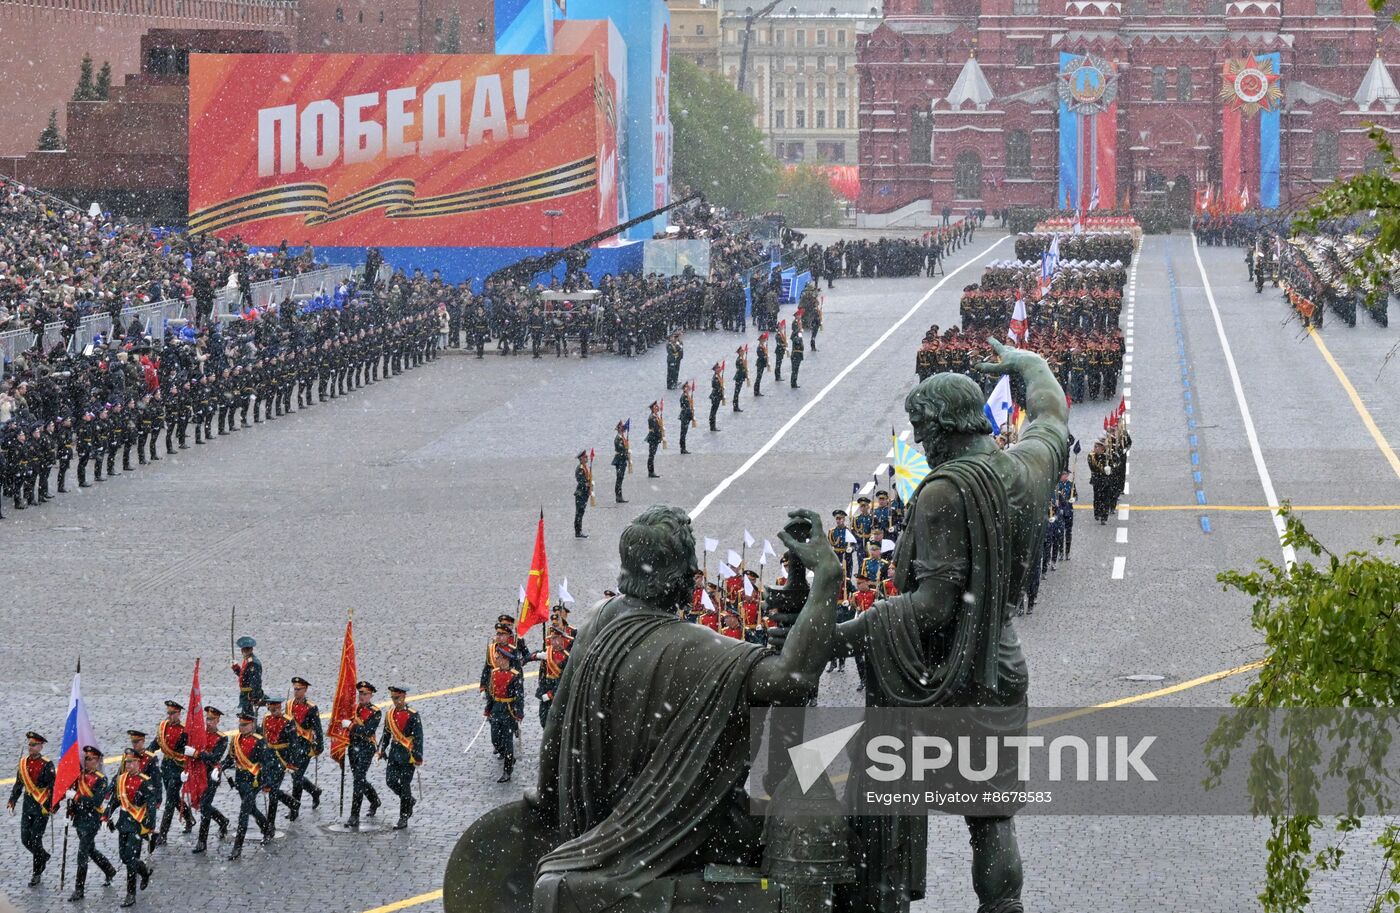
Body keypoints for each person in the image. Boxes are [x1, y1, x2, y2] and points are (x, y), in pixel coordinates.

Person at [832, 338, 1070, 913]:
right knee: (991, 816)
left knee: (888, 797)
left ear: (943, 428)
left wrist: (848, 632)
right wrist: (1028, 363)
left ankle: (890, 897)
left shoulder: (943, 490)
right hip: (1002, 664)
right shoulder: (1025, 468)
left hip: (940, 673)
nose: (919, 442)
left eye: (922, 429)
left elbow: (936, 604)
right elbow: (1053, 415)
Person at [529, 505, 840, 912]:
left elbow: (554, 739)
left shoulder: (596, 620)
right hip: (674, 838)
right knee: (828, 832)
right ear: (679, 574)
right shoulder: (696, 648)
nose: (697, 568)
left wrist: (556, 819)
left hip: (595, 830)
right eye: (691, 562)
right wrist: (828, 579)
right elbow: (790, 678)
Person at [102, 750, 157, 908]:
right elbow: (116, 800)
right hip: (124, 823)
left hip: (138, 825)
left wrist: (150, 825)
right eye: (127, 762)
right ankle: (145, 872)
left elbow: (151, 805)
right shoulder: (121, 780)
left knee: (131, 860)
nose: (129, 765)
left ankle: (130, 894)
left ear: (138, 763)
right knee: (124, 857)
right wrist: (106, 815)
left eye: (132, 762)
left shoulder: (145, 782)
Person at [64, 745, 117, 902]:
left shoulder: (101, 779)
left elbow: (95, 801)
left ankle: (79, 889)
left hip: (92, 820)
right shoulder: (78, 775)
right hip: (79, 819)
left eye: (92, 759)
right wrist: (69, 810)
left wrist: (76, 797)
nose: (88, 762)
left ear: (98, 760)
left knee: (82, 854)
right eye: (86, 759)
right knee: (91, 850)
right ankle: (109, 870)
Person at [220, 710, 272, 859]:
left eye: (245, 725)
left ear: (252, 725)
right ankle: (266, 827)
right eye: (240, 724)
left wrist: (266, 782)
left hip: (253, 780)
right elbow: (230, 759)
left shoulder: (259, 741)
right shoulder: (236, 739)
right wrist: (220, 768)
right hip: (240, 779)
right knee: (251, 808)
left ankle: (237, 847)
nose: (241, 727)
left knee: (244, 811)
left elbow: (266, 763)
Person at [8, 731, 54, 887]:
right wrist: (12, 800)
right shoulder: (23, 763)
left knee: (36, 839)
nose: (30, 747)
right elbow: (19, 783)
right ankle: (43, 856)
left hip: (42, 806)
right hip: (28, 805)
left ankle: (36, 873)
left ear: (41, 746)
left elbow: (53, 787)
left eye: (34, 745)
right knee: (25, 839)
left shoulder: (47, 764)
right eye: (29, 744)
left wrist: (52, 805)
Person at [377, 686, 423, 830]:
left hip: (408, 754)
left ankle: (403, 817)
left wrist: (418, 757)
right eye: (393, 698)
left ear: (403, 697)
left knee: (404, 784)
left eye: (397, 698)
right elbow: (386, 734)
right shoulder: (389, 714)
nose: (395, 701)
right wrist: (382, 750)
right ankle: (409, 800)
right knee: (390, 781)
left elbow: (419, 737)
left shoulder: (413, 715)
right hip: (394, 754)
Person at [153, 699, 196, 847]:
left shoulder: (185, 730)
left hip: (178, 768)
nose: (170, 716)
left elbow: (187, 750)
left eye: (173, 713)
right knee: (173, 796)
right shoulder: (163, 726)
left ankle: (163, 834)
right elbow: (157, 743)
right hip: (166, 767)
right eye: (169, 713)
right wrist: (144, 754)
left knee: (170, 801)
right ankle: (188, 817)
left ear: (179, 713)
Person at [340, 680, 382, 829]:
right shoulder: (354, 709)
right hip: (353, 747)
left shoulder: (376, 712)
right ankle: (374, 800)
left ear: (371, 695)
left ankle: (354, 815)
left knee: (358, 780)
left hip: (366, 748)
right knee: (359, 778)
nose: (362, 696)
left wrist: (350, 725)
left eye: (365, 694)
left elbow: (367, 731)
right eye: (360, 694)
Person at [483, 636, 524, 783]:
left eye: (499, 658)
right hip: (496, 709)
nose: (497, 660)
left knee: (507, 742)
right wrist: (488, 709)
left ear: (506, 660)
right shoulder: (494, 673)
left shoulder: (514, 676)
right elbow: (491, 693)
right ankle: (509, 758)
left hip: (508, 710)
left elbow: (520, 696)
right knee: (495, 739)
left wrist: (519, 713)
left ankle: (507, 770)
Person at [190, 707, 230, 855]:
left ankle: (202, 841)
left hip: (212, 775)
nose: (209, 722)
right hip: (199, 774)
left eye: (212, 719)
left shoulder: (222, 738)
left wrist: (197, 754)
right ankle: (222, 820)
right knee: (203, 804)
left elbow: (214, 757)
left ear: (218, 720)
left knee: (205, 805)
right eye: (207, 719)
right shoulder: (200, 734)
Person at [258, 697, 299, 832]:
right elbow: (263, 737)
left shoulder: (288, 721)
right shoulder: (266, 719)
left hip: (281, 757)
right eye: (271, 709)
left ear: (280, 708)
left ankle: (271, 823)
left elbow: (294, 743)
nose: (273, 712)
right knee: (266, 785)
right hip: (268, 757)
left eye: (276, 709)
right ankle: (291, 802)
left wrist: (291, 762)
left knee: (273, 791)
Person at [286, 677, 325, 814]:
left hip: (304, 745)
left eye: (299, 689)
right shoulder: (289, 704)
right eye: (294, 689)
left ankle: (294, 808)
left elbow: (318, 729)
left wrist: (319, 746)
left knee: (297, 777)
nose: (296, 692)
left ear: (305, 690)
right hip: (291, 746)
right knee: (295, 776)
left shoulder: (311, 708)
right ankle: (314, 791)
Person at [531, 627, 571, 728]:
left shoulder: (566, 657)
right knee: (543, 719)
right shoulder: (547, 652)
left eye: (556, 638)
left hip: (558, 690)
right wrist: (532, 657)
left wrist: (551, 694)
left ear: (562, 639)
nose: (553, 641)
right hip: (545, 688)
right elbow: (533, 655)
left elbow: (564, 679)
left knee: (557, 719)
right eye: (552, 638)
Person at [231, 635, 264, 716]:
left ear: (251, 649)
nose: (246, 651)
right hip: (245, 693)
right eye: (244, 649)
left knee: (248, 716)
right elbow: (245, 676)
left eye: (248, 649)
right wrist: (236, 668)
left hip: (249, 694)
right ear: (242, 650)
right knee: (246, 715)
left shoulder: (253, 663)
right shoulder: (247, 660)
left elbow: (255, 681)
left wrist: (253, 696)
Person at [611, 421, 630, 504]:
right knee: (619, 478)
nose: (624, 428)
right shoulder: (618, 438)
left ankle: (619, 496)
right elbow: (620, 448)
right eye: (622, 427)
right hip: (620, 459)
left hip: (622, 459)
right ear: (619, 429)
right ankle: (618, 496)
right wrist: (626, 449)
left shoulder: (622, 437)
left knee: (621, 478)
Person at [573, 450, 591, 538]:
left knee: (581, 512)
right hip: (580, 493)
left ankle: (579, 530)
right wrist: (586, 484)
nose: (587, 458)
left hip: (584, 493)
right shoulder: (580, 468)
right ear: (581, 459)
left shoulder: (584, 467)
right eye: (585, 457)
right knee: (579, 513)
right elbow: (580, 480)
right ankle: (578, 532)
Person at [645, 401, 664, 479]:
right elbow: (656, 429)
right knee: (651, 455)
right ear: (653, 408)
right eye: (656, 406)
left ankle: (651, 471)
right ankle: (651, 472)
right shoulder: (652, 417)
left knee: (652, 455)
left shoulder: (656, 416)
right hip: (653, 438)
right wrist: (660, 436)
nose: (658, 407)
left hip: (655, 438)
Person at [678, 384, 695, 455]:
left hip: (686, 416)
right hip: (685, 416)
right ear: (684, 388)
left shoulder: (687, 395)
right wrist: (691, 414)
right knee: (683, 433)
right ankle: (683, 448)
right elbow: (686, 407)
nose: (689, 388)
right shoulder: (684, 397)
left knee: (684, 433)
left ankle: (683, 448)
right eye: (687, 387)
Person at [708, 362, 725, 432]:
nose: (720, 369)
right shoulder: (715, 377)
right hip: (715, 396)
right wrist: (720, 388)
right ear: (715, 370)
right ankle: (712, 426)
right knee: (713, 411)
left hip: (717, 395)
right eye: (718, 368)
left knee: (714, 411)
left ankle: (713, 426)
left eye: (719, 367)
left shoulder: (718, 376)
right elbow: (714, 385)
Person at [732, 345, 748, 413]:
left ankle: (736, 406)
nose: (743, 352)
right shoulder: (739, 360)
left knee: (737, 392)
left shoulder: (741, 359)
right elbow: (742, 368)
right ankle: (735, 407)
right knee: (737, 392)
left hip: (740, 376)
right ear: (739, 352)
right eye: (742, 351)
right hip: (739, 377)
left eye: (743, 351)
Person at [789, 323, 805, 389]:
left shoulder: (797, 335)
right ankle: (793, 383)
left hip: (798, 355)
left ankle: (794, 382)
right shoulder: (796, 336)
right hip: (796, 355)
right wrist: (800, 335)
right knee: (795, 370)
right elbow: (797, 342)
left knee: (796, 370)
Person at [753, 333, 770, 397]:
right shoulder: (759, 347)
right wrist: (765, 356)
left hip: (762, 363)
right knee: (758, 378)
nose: (764, 340)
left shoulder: (762, 346)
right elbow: (760, 355)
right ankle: (756, 391)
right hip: (760, 363)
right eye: (763, 339)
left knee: (759, 377)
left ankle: (757, 391)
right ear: (761, 340)